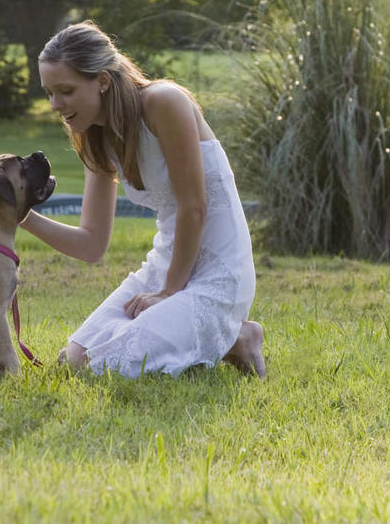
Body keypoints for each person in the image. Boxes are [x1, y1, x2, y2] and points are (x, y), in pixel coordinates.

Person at [20, 21, 265, 378]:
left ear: (102, 81)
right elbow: (91, 245)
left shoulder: (164, 102)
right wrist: (21, 214)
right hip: (167, 263)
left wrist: (167, 293)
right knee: (74, 361)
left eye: (66, 91)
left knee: (109, 365)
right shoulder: (94, 137)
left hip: (217, 268)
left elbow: (194, 207)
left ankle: (239, 336)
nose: (56, 104)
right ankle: (219, 337)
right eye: (49, 93)